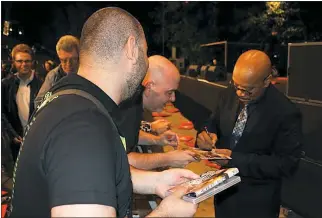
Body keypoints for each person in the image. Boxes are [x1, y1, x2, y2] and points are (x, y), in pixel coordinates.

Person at [9, 7, 198, 218]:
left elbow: (88, 173)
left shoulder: (70, 102)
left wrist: (155, 181)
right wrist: (166, 215)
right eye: (145, 53)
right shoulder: (83, 125)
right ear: (131, 49)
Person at [196, 50, 303, 218]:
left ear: (267, 81)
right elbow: (213, 121)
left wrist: (234, 159)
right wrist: (207, 134)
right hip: (224, 194)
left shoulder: (286, 112)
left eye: (248, 90)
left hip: (257, 204)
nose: (240, 94)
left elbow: (286, 164)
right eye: (236, 86)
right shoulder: (229, 93)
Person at [122, 55, 197, 170]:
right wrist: (168, 159)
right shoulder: (126, 107)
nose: (173, 99)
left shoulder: (135, 101)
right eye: (169, 92)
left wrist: (157, 140)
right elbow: (125, 160)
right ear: (149, 87)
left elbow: (130, 135)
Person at [1, 44, 42, 161]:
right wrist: (11, 134)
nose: (24, 65)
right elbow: (2, 114)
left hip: (36, 141)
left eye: (27, 61)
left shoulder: (42, 85)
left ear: (32, 62)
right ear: (13, 62)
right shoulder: (5, 85)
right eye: (20, 61)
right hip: (15, 142)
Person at [34, 35, 79, 107]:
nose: (69, 64)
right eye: (64, 60)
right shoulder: (53, 76)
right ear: (59, 57)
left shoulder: (89, 73)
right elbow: (39, 103)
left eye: (73, 59)